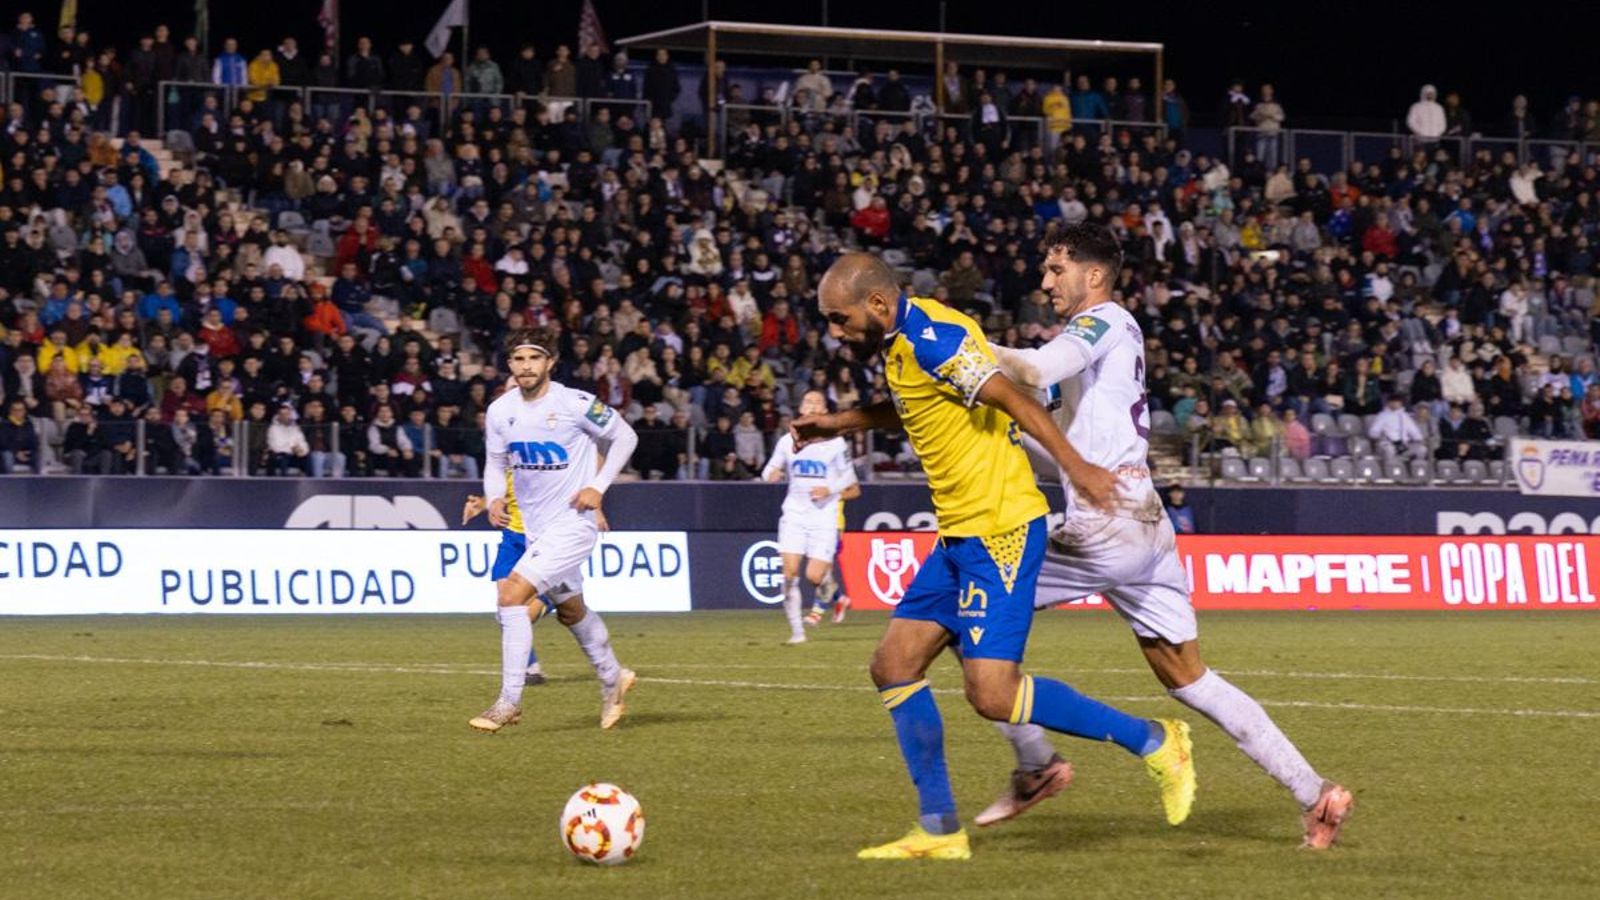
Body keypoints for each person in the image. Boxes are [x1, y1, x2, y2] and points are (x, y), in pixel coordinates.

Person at [793, 253, 1194, 861]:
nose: (835, 331)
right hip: (959, 534)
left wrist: (1077, 468)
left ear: (875, 304)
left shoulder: (933, 338)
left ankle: (1157, 742)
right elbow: (915, 408)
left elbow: (1015, 399)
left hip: (1000, 529)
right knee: (894, 666)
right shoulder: (904, 339)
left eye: (838, 319)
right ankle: (939, 830)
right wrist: (838, 424)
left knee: (993, 694)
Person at [987, 224, 1351, 849]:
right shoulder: (1106, 348)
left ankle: (1036, 764)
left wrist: (957, 343)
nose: (1045, 282)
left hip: (1107, 522)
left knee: (970, 600)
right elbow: (1062, 450)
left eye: (1055, 269)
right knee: (1189, 677)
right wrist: (1002, 428)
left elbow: (1032, 365)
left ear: (1092, 275)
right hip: (1143, 520)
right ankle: (1315, 792)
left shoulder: (1102, 322)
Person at [471, 328, 640, 734]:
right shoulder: (500, 411)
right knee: (570, 611)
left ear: (550, 363)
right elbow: (496, 462)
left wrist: (597, 487)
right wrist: (494, 496)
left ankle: (508, 702)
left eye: (534, 358)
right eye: (518, 359)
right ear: (510, 365)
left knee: (511, 597)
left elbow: (625, 437)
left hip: (573, 526)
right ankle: (612, 677)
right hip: (534, 530)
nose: (526, 366)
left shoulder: (574, 403)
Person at [760, 389, 861, 644]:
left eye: (818, 402)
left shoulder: (836, 443)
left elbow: (850, 479)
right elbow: (769, 468)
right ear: (802, 409)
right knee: (789, 573)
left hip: (824, 518)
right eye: (808, 401)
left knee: (814, 576)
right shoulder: (787, 441)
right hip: (794, 514)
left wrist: (830, 489)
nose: (813, 405)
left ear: (825, 411)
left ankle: (827, 586)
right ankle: (797, 632)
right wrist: (770, 475)